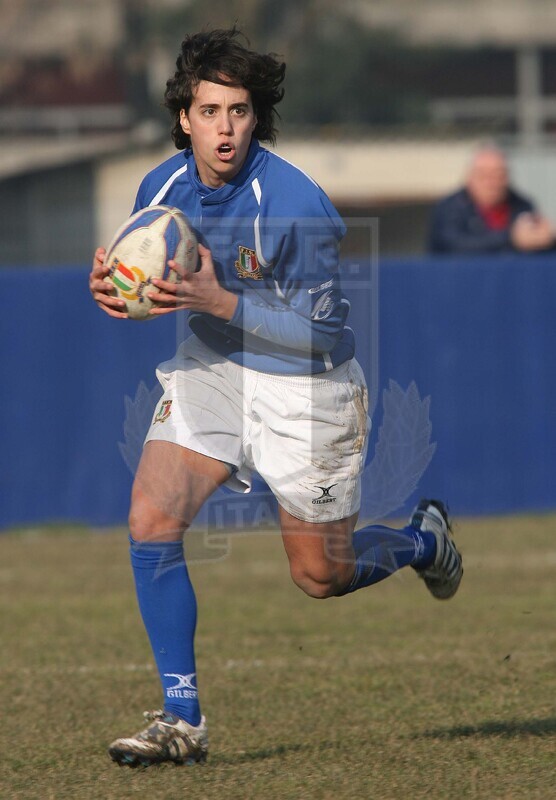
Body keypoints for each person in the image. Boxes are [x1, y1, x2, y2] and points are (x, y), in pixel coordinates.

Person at [89, 28, 463, 768]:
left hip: (309, 387)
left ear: (257, 117)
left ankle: (422, 541)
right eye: (211, 110)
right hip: (218, 370)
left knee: (318, 575)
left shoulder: (296, 205)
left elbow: (323, 336)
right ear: (184, 117)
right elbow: (155, 278)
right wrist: (119, 291)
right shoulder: (158, 190)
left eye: (240, 111)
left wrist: (220, 302)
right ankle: (181, 721)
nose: (226, 128)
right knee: (150, 519)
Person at [428, 145, 554, 254]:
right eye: (484, 176)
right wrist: (511, 239)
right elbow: (453, 247)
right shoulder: (449, 208)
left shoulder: (522, 204)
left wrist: (547, 238)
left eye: (499, 175)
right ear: (469, 177)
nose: (493, 183)